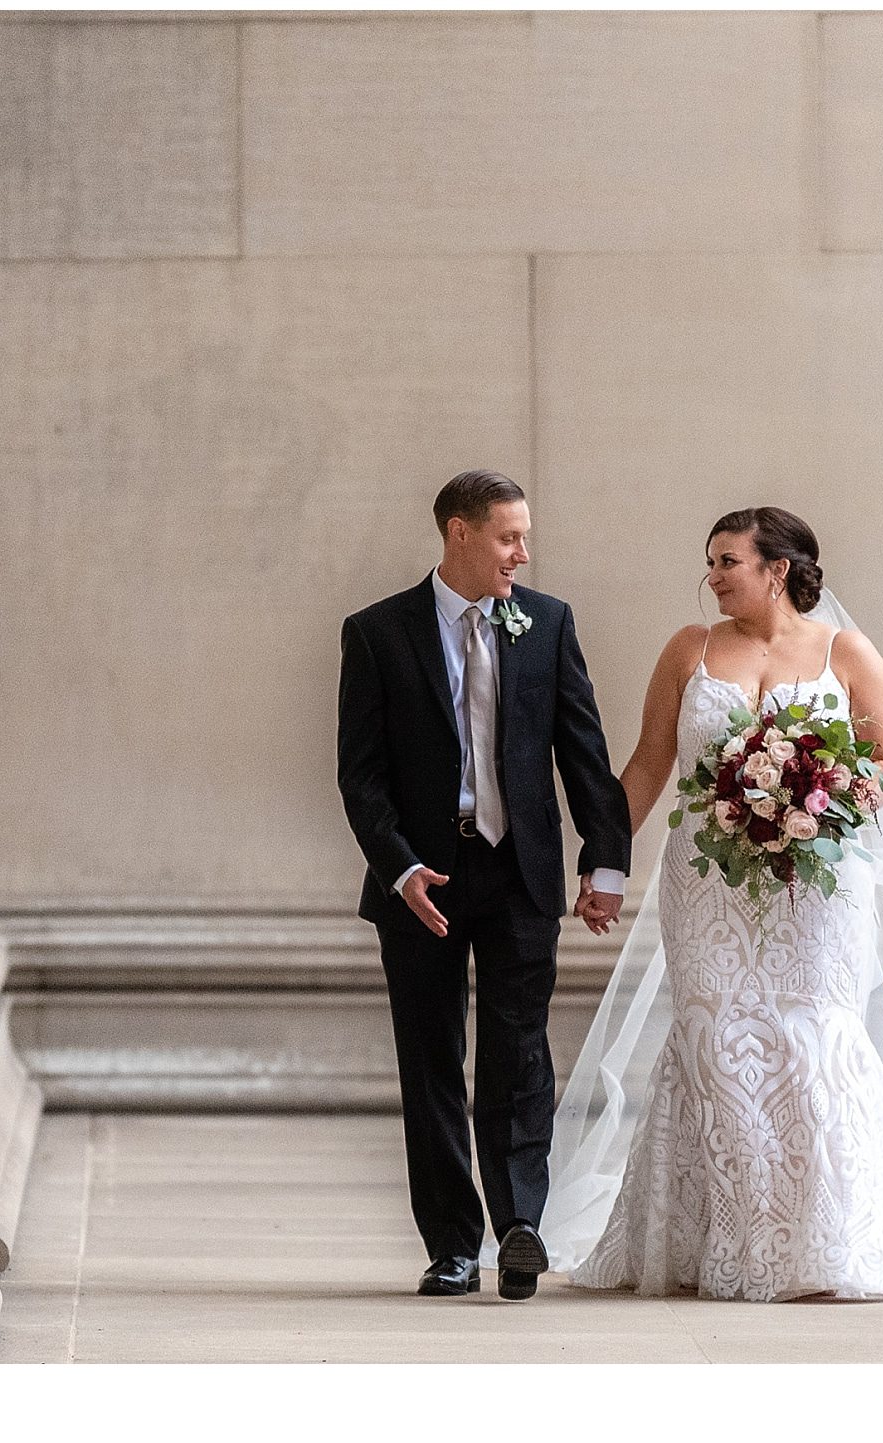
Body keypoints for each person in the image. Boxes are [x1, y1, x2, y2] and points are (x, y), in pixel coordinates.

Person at [542, 506, 883, 1301]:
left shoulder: (844, 652)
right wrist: (604, 863)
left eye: (729, 561)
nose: (714, 576)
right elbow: (651, 762)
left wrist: (827, 799)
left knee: (814, 1031)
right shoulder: (688, 650)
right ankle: (715, 1239)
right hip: (708, 883)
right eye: (711, 562)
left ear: (778, 569)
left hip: (815, 884)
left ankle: (827, 1242)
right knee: (714, 1033)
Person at [337, 469, 633, 1301]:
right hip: (419, 883)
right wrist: (397, 868)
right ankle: (452, 1244)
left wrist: (602, 863)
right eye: (508, 536)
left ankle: (518, 1228)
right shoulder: (376, 633)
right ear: (458, 533)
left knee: (518, 1053)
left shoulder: (546, 623)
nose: (522, 552)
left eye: (525, 536)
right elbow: (361, 777)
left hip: (520, 872)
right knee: (430, 1059)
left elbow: (583, 751)